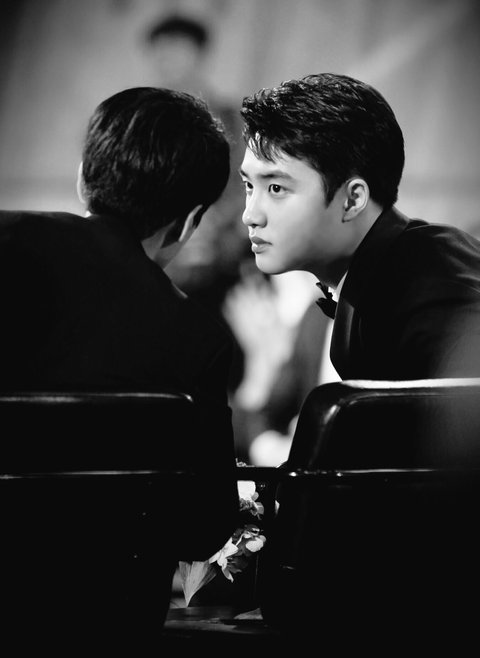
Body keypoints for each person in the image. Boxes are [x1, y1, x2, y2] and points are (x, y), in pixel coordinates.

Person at [0, 86, 239, 650]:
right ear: (189, 222)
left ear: (84, 175)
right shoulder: (197, 339)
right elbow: (204, 526)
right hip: (106, 622)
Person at [239, 72, 480, 382]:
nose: (250, 215)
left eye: (276, 188)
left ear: (352, 200)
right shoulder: (386, 277)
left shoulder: (430, 286)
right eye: (249, 186)